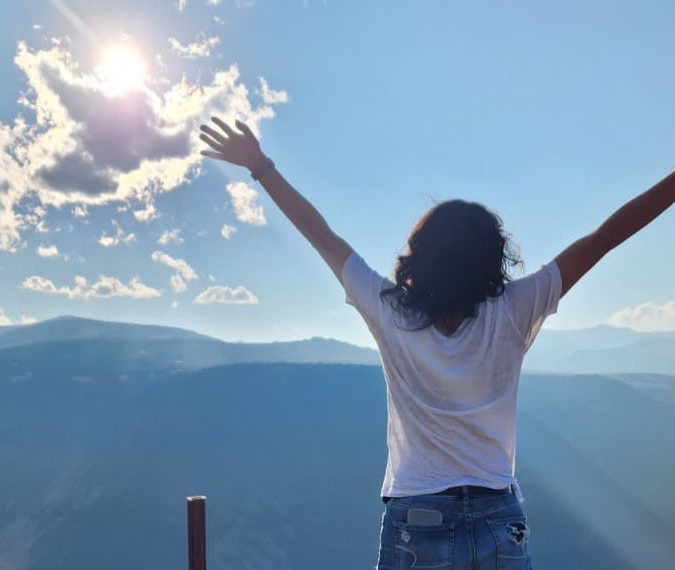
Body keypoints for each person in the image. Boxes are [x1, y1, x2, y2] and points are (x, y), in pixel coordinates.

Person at [200, 116, 674, 570]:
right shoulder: (515, 309)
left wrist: (261, 167)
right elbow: (605, 238)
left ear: (420, 253)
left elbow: (321, 235)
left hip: (417, 515)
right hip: (498, 516)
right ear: (494, 255)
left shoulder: (390, 311)